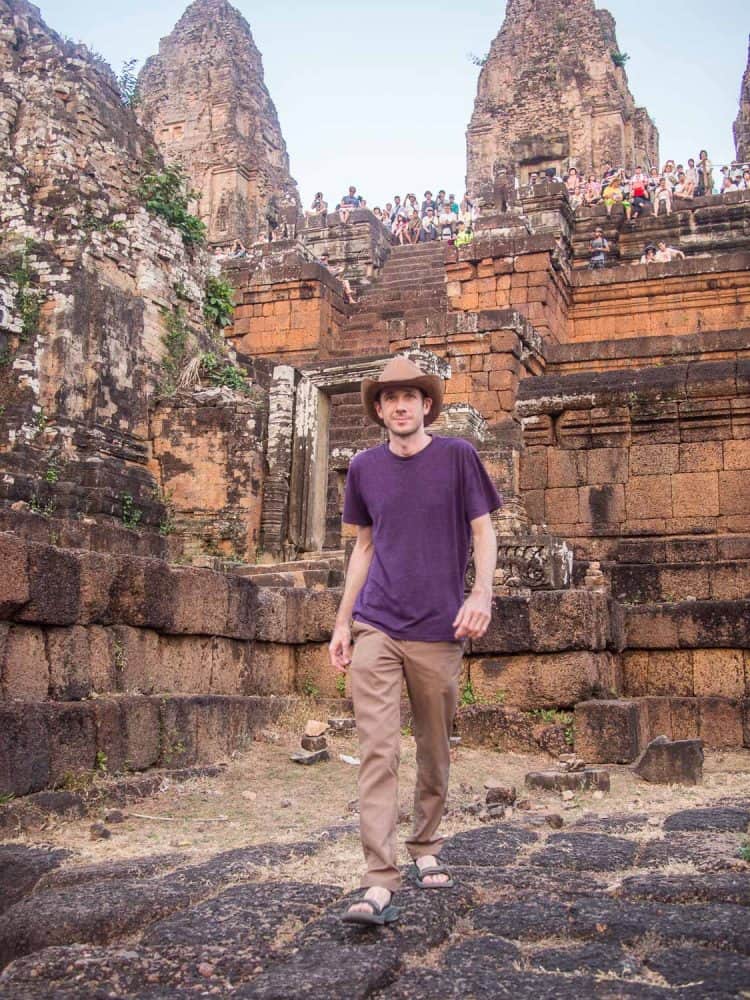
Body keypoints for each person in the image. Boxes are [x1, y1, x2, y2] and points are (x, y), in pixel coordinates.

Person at [330, 355, 501, 926]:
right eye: (389, 398)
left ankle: (425, 842)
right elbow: (363, 548)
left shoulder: (458, 457)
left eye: (410, 397)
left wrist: (480, 596)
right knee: (378, 746)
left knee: (433, 744)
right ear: (379, 410)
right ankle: (378, 878)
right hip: (377, 623)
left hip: (439, 627)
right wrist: (341, 622)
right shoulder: (364, 468)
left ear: (426, 405)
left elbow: (483, 529)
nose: (400, 406)